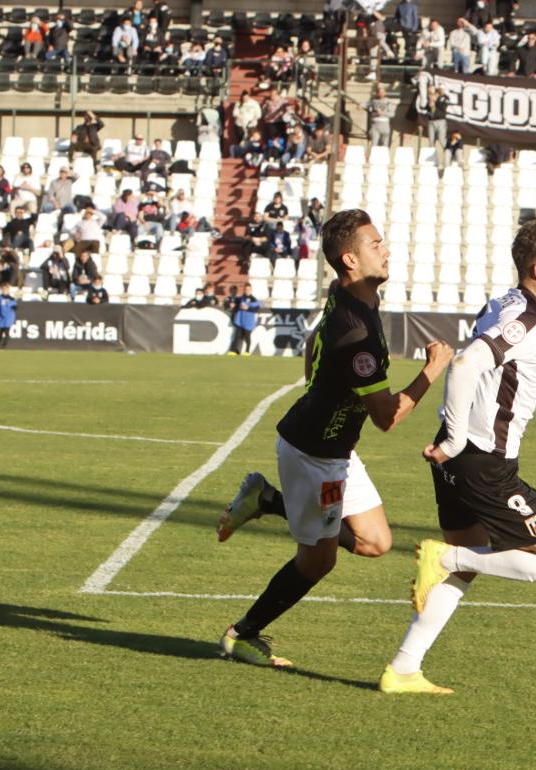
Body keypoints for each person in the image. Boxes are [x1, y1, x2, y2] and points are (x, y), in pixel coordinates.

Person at [378, 220, 536, 694]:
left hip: (460, 464)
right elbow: (465, 362)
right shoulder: (527, 320)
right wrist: (456, 438)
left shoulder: (512, 307)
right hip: (483, 465)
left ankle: (404, 668)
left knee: (466, 566)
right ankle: (445, 558)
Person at [213, 208, 453, 669]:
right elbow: (388, 418)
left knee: (376, 542)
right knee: (318, 562)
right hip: (314, 456)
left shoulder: (351, 298)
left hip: (335, 448)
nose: (385, 250)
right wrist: (431, 371)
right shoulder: (357, 330)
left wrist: (325, 399)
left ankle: (266, 500)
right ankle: (242, 635)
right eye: (375, 244)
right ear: (349, 259)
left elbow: (314, 341)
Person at [228, 284, 260, 355]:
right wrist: (232, 306)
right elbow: (234, 306)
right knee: (237, 336)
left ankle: (247, 351)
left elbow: (257, 309)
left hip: (249, 321)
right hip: (240, 320)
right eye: (246, 289)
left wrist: (248, 308)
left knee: (247, 336)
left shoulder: (254, 299)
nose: (247, 291)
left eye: (249, 289)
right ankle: (234, 351)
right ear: (244, 290)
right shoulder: (240, 298)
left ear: (251, 290)